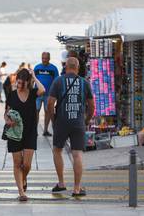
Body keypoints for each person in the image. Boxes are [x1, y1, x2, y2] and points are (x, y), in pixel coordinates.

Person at [47, 57, 95, 197]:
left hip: (61, 121)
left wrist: (53, 119)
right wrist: (86, 120)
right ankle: (76, 188)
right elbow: (92, 106)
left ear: (65, 66)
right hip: (78, 122)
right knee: (77, 154)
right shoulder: (84, 82)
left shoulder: (58, 81)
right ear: (78, 67)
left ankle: (61, 183)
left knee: (57, 150)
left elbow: (50, 103)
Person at [5, 69, 45, 201]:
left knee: (26, 165)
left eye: (22, 83)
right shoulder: (11, 94)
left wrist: (34, 76)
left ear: (28, 82)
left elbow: (43, 90)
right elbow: (7, 112)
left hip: (30, 131)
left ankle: (24, 177)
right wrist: (8, 120)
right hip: (14, 132)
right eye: (18, 82)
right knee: (17, 163)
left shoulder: (33, 93)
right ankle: (21, 192)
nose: (19, 85)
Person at [34, 52, 59, 136]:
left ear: (49, 58)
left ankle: (45, 130)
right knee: (36, 111)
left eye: (46, 58)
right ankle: (35, 131)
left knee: (47, 112)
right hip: (37, 94)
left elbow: (56, 82)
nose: (44, 60)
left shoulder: (54, 68)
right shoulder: (37, 67)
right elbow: (32, 80)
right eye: (43, 58)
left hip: (48, 95)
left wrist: (55, 94)